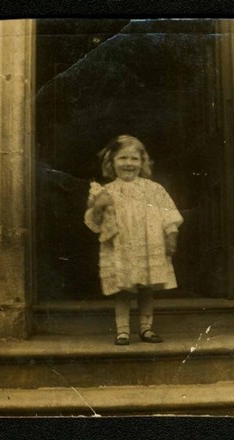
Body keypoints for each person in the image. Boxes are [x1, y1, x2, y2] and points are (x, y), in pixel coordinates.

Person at [84, 135, 183, 345]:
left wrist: (171, 235)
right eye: (122, 158)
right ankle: (122, 330)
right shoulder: (107, 191)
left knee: (147, 288)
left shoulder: (154, 189)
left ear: (143, 162)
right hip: (121, 248)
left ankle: (146, 329)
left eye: (134, 159)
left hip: (149, 245)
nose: (129, 163)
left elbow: (169, 215)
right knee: (123, 289)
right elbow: (95, 224)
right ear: (111, 163)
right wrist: (99, 206)